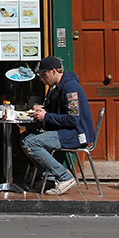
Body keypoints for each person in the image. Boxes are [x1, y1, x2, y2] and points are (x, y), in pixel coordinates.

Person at [20, 56, 94, 196]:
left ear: (54, 71)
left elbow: (72, 119)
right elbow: (61, 112)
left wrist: (46, 116)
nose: (41, 79)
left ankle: (64, 177)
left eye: (43, 75)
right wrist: (44, 110)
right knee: (24, 138)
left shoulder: (70, 87)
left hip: (76, 134)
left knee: (31, 143)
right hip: (65, 131)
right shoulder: (57, 87)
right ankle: (50, 178)